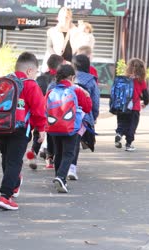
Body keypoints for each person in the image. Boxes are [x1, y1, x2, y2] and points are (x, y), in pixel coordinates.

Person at [0, 52, 47, 210]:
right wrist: (41, 129)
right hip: (19, 130)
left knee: (7, 159)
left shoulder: (2, 83)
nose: (35, 75)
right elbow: (39, 110)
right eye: (35, 72)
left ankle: (13, 185)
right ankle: (5, 196)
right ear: (29, 71)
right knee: (14, 162)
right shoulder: (31, 85)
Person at [46, 64, 92, 193]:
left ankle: (59, 178)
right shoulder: (76, 90)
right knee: (68, 153)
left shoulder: (51, 91)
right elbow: (87, 108)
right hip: (70, 127)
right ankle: (61, 177)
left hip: (54, 127)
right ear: (72, 77)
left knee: (58, 152)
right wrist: (87, 95)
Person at [27, 54, 64, 170]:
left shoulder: (40, 78)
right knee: (52, 136)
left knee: (38, 134)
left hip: (39, 111)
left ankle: (33, 152)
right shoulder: (59, 80)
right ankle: (50, 159)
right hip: (54, 112)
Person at [68, 54, 100, 180]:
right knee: (75, 140)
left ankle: (59, 165)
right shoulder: (91, 81)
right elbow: (95, 101)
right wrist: (94, 117)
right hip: (82, 116)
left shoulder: (68, 78)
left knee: (64, 140)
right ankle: (72, 167)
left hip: (65, 113)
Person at [115, 58, 149, 151]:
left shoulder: (123, 79)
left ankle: (119, 133)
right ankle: (128, 144)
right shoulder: (141, 81)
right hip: (134, 108)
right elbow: (146, 96)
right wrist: (145, 103)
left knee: (122, 123)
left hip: (122, 107)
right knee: (132, 126)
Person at [42, 7, 77, 72]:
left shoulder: (76, 31)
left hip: (69, 65)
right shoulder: (52, 31)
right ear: (58, 18)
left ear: (70, 19)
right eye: (62, 17)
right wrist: (58, 59)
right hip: (54, 65)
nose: (64, 19)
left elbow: (79, 48)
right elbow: (49, 47)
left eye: (67, 17)